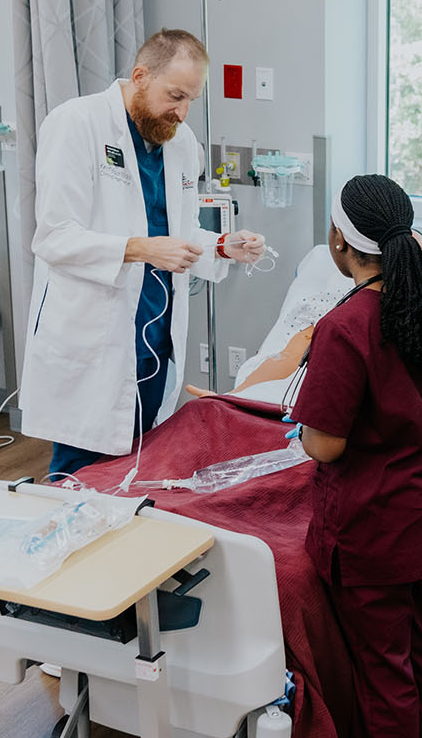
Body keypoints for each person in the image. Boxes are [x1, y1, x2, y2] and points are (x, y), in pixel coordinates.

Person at [19, 29, 267, 478]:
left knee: (140, 458)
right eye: (175, 96)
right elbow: (54, 237)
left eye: (191, 100)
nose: (182, 112)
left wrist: (222, 246)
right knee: (81, 467)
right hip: (94, 329)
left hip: (154, 329)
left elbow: (177, 233)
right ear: (139, 77)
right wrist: (139, 249)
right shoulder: (77, 124)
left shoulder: (180, 142)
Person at [290, 175, 422, 738]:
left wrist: (303, 432)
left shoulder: (346, 328)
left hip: (374, 530)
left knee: (384, 671)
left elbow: (325, 445)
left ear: (338, 241)